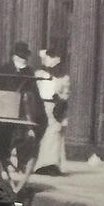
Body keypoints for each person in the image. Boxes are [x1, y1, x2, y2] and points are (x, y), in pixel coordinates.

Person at [35, 47, 69, 175]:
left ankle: (51, 164)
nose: (49, 60)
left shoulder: (62, 76)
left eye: (52, 57)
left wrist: (60, 100)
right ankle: (39, 164)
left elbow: (66, 93)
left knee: (54, 134)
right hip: (41, 106)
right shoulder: (39, 74)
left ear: (57, 59)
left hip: (55, 108)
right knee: (42, 134)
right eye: (48, 57)